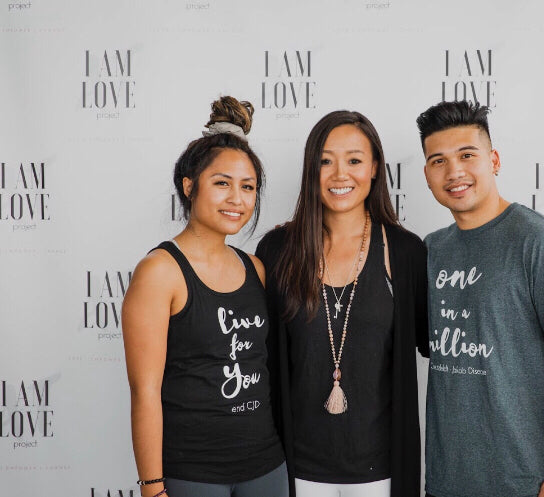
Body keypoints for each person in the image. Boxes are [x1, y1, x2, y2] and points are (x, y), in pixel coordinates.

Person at [416, 101, 544, 497]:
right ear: (427, 175)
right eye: (438, 161)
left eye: (467, 155)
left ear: (494, 160)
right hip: (446, 482)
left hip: (523, 481)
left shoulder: (541, 243)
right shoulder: (430, 250)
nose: (454, 172)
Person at [256, 110, 429, 497]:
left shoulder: (406, 252)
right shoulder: (276, 249)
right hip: (294, 467)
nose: (340, 174)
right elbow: (260, 359)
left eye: (354, 160)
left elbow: (436, 345)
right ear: (310, 169)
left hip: (380, 470)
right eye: (325, 161)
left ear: (374, 168)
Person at [122, 96, 288, 497]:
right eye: (222, 184)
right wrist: (152, 486)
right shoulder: (160, 271)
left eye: (247, 187)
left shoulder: (256, 268)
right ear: (189, 186)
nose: (237, 198)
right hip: (192, 473)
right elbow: (144, 390)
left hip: (266, 466)